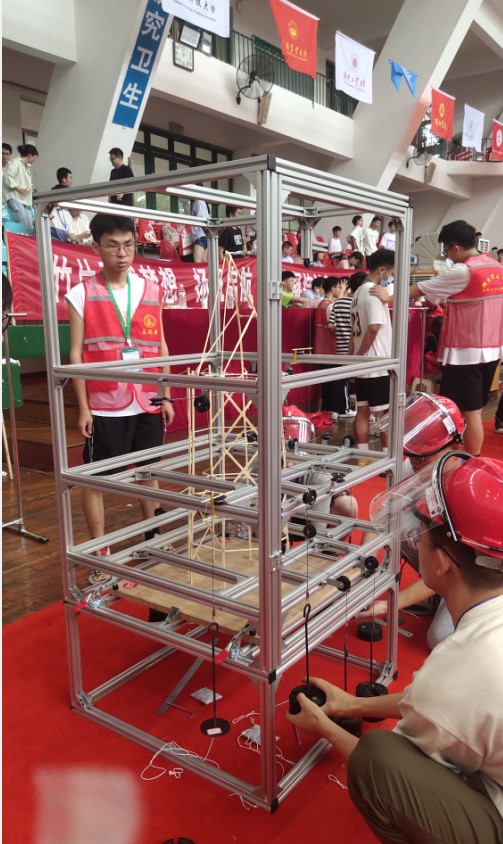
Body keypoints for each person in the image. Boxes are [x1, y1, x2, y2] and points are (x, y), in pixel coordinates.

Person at [287, 452, 503, 844]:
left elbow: (436, 710)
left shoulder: (462, 666)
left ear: (441, 562)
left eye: (421, 535)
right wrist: (352, 705)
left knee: (378, 756)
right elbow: (435, 704)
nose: (414, 541)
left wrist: (323, 726)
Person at [65, 213, 174, 586]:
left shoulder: (151, 289)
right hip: (104, 404)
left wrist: (165, 393)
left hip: (146, 399)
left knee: (149, 473)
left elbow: (160, 345)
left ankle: (154, 540)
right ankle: (101, 554)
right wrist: (83, 407)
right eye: (112, 246)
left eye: (128, 245)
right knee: (96, 480)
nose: (122, 253)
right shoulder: (81, 293)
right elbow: (76, 354)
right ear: (96, 247)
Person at [372, 220, 503, 455]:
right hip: (492, 348)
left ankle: (471, 461)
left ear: (456, 247)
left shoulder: (464, 270)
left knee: (470, 411)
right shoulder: (496, 267)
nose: (447, 256)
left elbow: (422, 288)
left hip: (466, 350)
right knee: (473, 408)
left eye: (446, 251)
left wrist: (388, 296)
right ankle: (463, 455)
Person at [361, 391, 466, 648]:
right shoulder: (415, 466)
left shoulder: (462, 489)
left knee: (441, 639)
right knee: (402, 518)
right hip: (444, 564)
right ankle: (439, 596)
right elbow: (382, 517)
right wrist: (363, 565)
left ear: (454, 449)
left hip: (475, 577)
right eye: (412, 451)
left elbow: (451, 567)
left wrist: (390, 604)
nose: (415, 461)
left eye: (423, 454)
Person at [349, 249, 395, 451]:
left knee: (363, 410)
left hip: (363, 365)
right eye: (391, 273)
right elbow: (374, 328)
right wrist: (359, 355)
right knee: (386, 414)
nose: (391, 278)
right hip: (376, 363)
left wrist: (353, 359)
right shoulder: (373, 292)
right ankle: (387, 458)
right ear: (382, 270)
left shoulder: (357, 293)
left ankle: (363, 455)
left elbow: (353, 332)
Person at [329, 272, 367, 419]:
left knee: (339, 380)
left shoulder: (338, 303)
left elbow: (331, 325)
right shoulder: (359, 303)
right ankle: (353, 410)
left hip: (340, 347)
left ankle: (334, 410)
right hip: (357, 348)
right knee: (359, 380)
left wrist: (340, 332)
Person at [313, 276, 348, 420]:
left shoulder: (321, 304)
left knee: (327, 382)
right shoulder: (330, 306)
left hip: (321, 349)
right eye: (339, 288)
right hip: (331, 349)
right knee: (336, 382)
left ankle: (327, 410)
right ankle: (335, 410)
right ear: (333, 289)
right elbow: (334, 328)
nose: (341, 290)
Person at [2, 143, 38, 233]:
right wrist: (18, 188)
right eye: (35, 157)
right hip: (15, 197)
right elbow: (7, 177)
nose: (35, 160)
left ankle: (27, 239)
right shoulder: (15, 163)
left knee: (29, 225)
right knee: (22, 221)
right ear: (30, 155)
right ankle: (20, 238)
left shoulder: (25, 166)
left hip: (24, 200)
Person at [191, 191, 209, 263]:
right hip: (204, 235)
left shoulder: (198, 201)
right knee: (204, 261)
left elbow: (201, 218)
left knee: (197, 260)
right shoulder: (202, 202)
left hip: (199, 235)